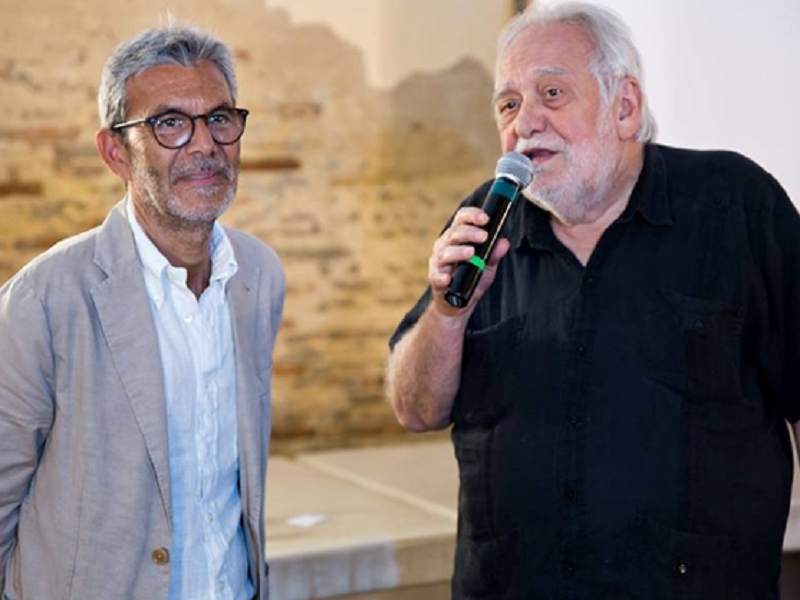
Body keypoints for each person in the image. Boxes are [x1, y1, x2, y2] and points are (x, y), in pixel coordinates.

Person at [386, 3, 800, 599]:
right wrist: (447, 313)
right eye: (508, 104)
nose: (525, 122)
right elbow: (415, 408)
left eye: (552, 93)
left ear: (625, 106)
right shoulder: (485, 222)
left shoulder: (734, 207)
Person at [0, 24, 284, 600]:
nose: (204, 145)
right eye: (170, 123)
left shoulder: (257, 276)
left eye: (219, 118)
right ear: (116, 153)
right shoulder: (45, 299)